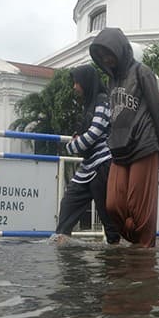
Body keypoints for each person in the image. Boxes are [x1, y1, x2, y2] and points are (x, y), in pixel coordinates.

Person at [89, 27, 159, 248]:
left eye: (110, 52)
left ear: (121, 50)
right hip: (119, 149)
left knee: (138, 207)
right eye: (102, 54)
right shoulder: (111, 80)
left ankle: (143, 257)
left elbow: (158, 111)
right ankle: (137, 244)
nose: (106, 58)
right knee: (113, 204)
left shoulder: (142, 72)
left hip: (143, 144)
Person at [55, 65, 120, 244]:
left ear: (86, 82)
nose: (75, 87)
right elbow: (87, 132)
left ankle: (116, 255)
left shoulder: (102, 100)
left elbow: (95, 131)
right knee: (68, 203)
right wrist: (78, 140)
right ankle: (61, 240)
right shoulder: (89, 104)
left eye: (77, 82)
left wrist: (72, 146)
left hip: (102, 164)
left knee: (106, 215)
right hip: (88, 166)